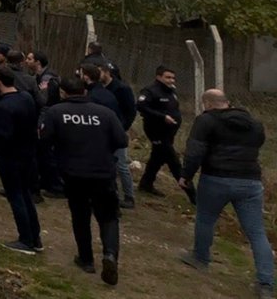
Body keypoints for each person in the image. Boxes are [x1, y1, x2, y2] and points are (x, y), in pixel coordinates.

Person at [178, 90, 272, 297]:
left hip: (216, 178)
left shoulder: (206, 121)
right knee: (256, 233)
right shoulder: (254, 124)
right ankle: (265, 282)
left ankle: (200, 258)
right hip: (250, 181)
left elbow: (195, 151)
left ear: (208, 104)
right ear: (227, 103)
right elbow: (258, 145)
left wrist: (186, 175)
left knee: (205, 219)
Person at [40, 77, 127, 286]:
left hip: (73, 173)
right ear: (85, 91)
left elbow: (45, 139)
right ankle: (110, 254)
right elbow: (121, 140)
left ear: (63, 92)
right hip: (103, 173)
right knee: (108, 217)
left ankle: (86, 259)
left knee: (80, 215)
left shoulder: (56, 112)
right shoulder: (105, 113)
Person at [0, 66, 42, 254]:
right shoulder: (26, 98)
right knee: (25, 195)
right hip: (27, 154)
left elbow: (1, 136)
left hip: (10, 158)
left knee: (16, 197)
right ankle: (35, 237)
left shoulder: (4, 107)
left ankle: (25, 240)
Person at [138, 65, 196, 202]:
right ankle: (194, 196)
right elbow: (141, 106)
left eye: (173, 78)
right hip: (157, 132)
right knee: (174, 162)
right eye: (168, 77)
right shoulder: (150, 91)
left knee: (157, 158)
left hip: (169, 133)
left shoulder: (171, 91)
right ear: (159, 77)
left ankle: (146, 184)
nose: (171, 80)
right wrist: (162, 117)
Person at [100, 65, 138, 209]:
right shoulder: (101, 87)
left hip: (118, 130)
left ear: (107, 72)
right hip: (103, 130)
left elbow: (130, 111)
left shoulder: (122, 89)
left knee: (121, 164)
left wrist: (122, 128)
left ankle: (129, 196)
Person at [28, 51, 65, 196]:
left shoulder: (47, 79)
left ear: (37, 62)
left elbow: (44, 102)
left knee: (47, 153)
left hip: (48, 118)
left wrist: (40, 123)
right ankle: (46, 180)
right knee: (43, 153)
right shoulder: (40, 76)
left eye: (30, 59)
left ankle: (56, 186)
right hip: (48, 116)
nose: (27, 61)